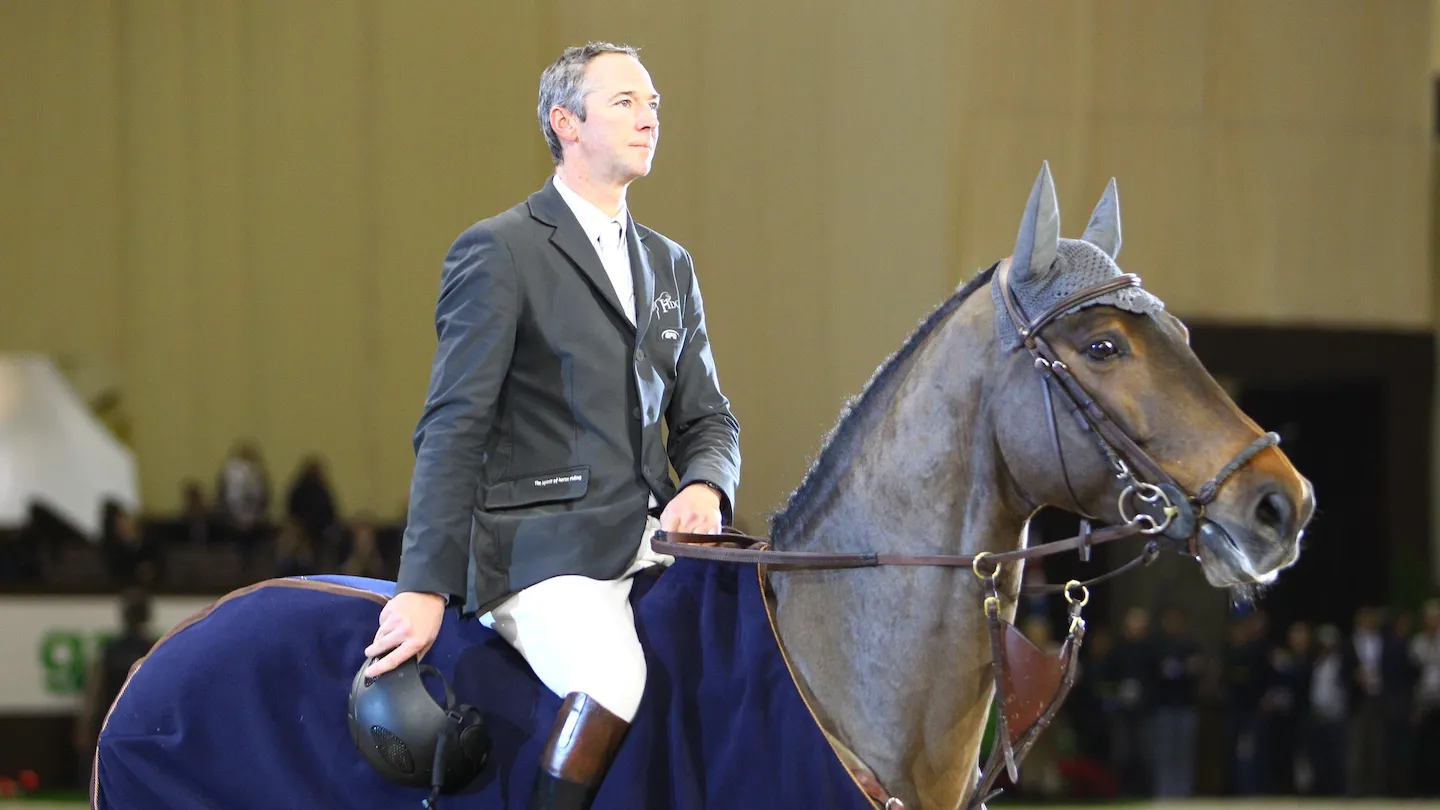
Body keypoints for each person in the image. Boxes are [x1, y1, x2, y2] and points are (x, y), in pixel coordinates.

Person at [364, 41, 741, 809]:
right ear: (565, 123)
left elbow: (709, 417)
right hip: (537, 548)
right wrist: (424, 584)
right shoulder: (499, 251)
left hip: (644, 537)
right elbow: (452, 425)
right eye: (625, 103)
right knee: (612, 679)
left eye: (654, 104)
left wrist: (705, 484)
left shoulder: (671, 266)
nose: (649, 119)